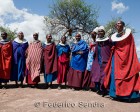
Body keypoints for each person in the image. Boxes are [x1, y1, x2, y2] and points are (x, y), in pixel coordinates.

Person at [104, 21, 140, 101]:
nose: (117, 24)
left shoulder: (128, 35)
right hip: (116, 56)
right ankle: (114, 94)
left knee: (126, 73)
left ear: (123, 25)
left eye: (119, 23)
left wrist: (125, 53)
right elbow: (111, 45)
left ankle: (128, 96)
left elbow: (130, 46)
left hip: (126, 56)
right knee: (114, 73)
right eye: (116, 24)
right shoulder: (114, 36)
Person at [90, 26, 112, 96]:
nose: (100, 32)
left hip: (106, 60)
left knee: (105, 76)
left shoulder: (109, 40)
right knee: (97, 75)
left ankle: (105, 90)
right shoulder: (97, 41)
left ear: (104, 32)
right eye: (99, 31)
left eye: (101, 31)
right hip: (97, 60)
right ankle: (100, 89)